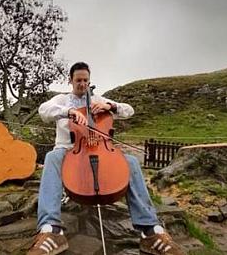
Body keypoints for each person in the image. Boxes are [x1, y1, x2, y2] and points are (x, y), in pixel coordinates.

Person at [27, 62, 185, 255]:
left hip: (99, 148)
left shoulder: (97, 99)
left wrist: (110, 106)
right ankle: (50, 230)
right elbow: (44, 110)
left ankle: (150, 231)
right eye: (78, 80)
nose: (83, 84)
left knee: (131, 162)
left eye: (86, 80)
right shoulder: (61, 99)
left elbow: (129, 110)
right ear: (70, 80)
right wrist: (68, 112)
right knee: (52, 157)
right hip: (69, 150)